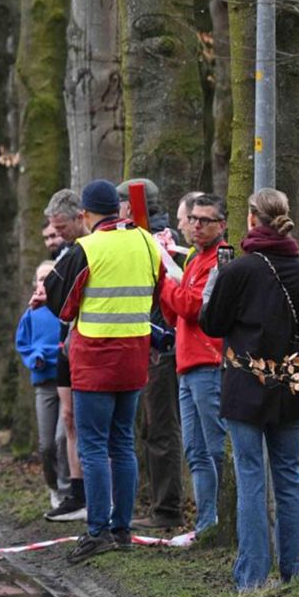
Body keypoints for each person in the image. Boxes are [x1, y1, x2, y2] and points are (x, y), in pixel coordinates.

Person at [49, 180, 175, 563]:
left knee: (92, 445)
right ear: (117, 210)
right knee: (123, 443)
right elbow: (156, 291)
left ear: (86, 214)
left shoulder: (87, 248)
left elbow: (62, 304)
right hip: (135, 355)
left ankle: (97, 530)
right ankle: (122, 528)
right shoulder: (145, 242)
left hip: (95, 358)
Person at [198, 187, 299, 591]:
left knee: (250, 476)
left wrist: (215, 280)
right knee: (289, 475)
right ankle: (298, 568)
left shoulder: (238, 270)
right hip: (290, 384)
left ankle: (251, 576)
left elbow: (211, 323)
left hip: (244, 385)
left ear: (251, 219)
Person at [159, 192, 232, 535]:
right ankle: (206, 524)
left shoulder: (219, 260)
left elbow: (193, 308)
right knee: (195, 450)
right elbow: (175, 314)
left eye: (205, 220)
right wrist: (169, 286)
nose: (197, 226)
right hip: (187, 364)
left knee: (215, 447)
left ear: (222, 224)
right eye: (193, 219)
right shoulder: (193, 259)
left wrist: (165, 282)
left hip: (208, 363)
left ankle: (222, 519)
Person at [124, 177, 187, 529]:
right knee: (153, 426)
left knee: (160, 426)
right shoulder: (148, 238)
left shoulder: (158, 243)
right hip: (153, 343)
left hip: (161, 346)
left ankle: (167, 510)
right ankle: (158, 504)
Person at [38, 189, 89, 520]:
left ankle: (96, 493)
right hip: (64, 344)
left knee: (90, 424)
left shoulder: (89, 248)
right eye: (53, 229)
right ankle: (75, 492)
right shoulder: (66, 252)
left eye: (62, 228)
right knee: (68, 417)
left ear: (79, 217)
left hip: (90, 343)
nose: (58, 235)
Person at [16, 261, 71, 511]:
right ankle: (53, 487)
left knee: (63, 438)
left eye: (49, 277)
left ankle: (68, 489)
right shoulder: (31, 314)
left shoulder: (67, 310)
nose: (44, 282)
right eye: (40, 278)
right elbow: (23, 344)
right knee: (46, 444)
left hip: (69, 381)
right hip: (44, 382)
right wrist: (34, 357)